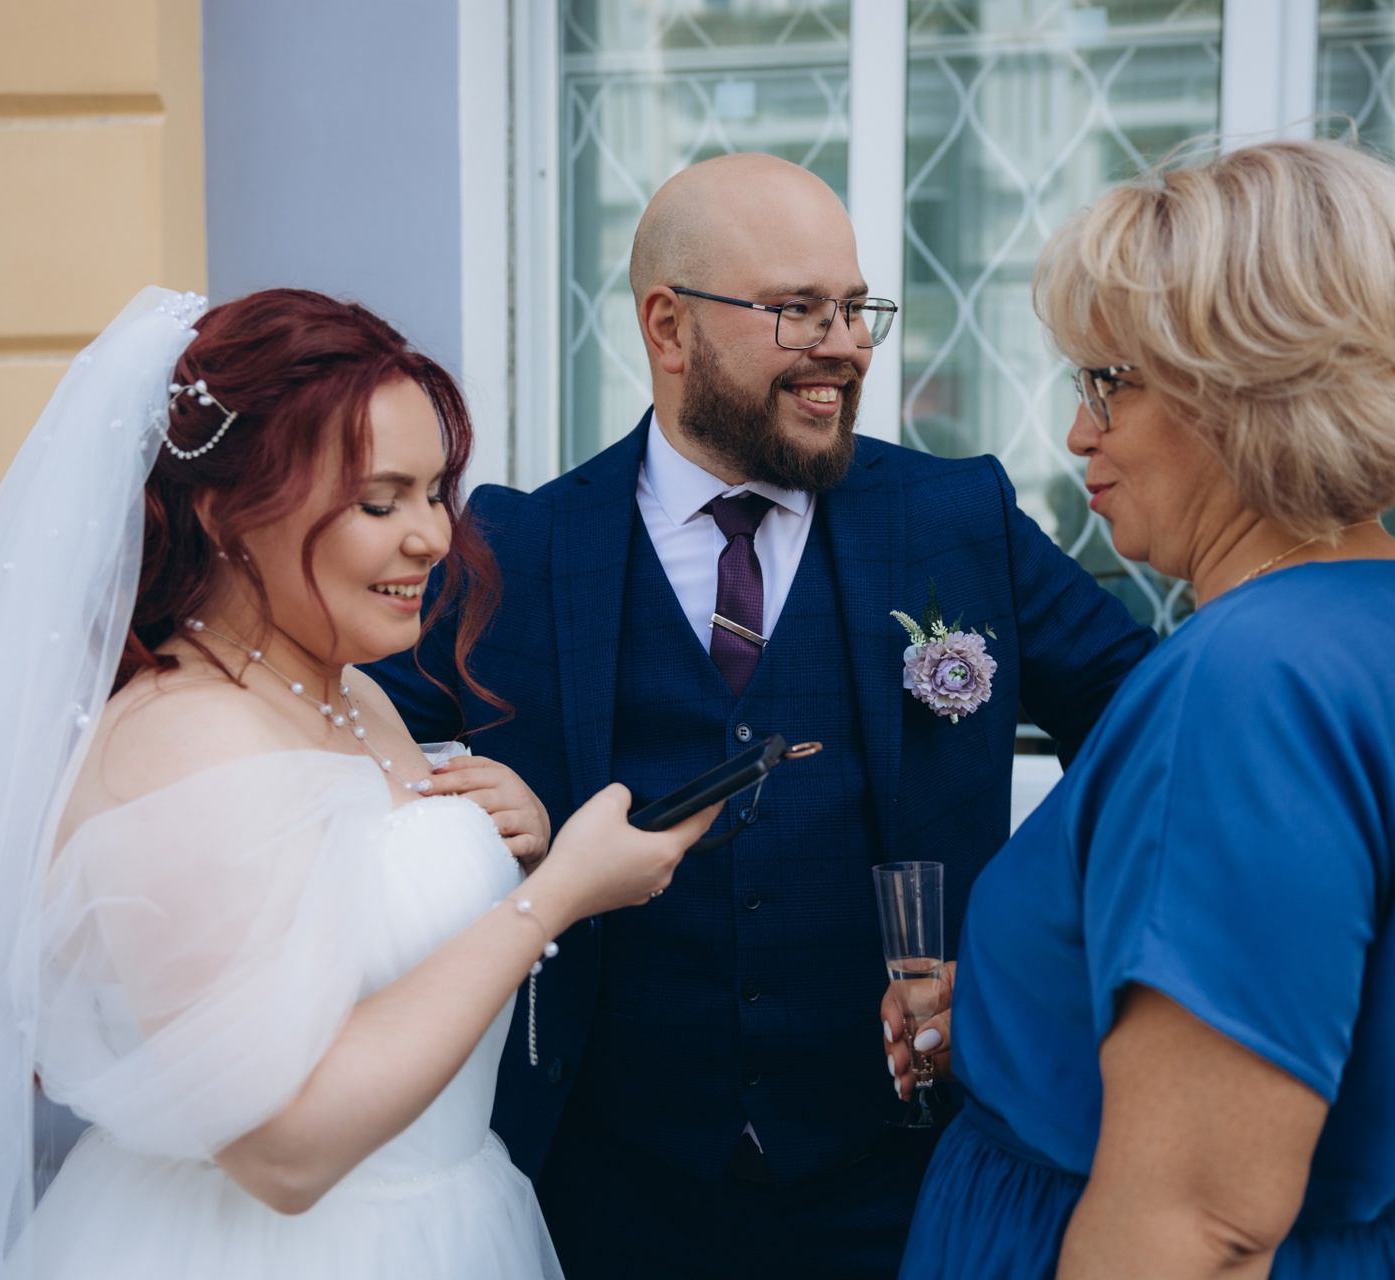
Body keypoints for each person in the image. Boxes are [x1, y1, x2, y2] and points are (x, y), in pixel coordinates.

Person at [0, 287, 719, 1279]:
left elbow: (367, 923)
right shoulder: (182, 741)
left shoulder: (355, 692)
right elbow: (282, 1148)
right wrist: (555, 895)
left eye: (436, 491)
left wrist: (503, 835)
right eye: (380, 501)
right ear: (227, 512)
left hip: (446, 1220)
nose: (434, 537)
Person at [370, 152, 1156, 1279]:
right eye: (799, 310)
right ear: (669, 325)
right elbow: (328, 727)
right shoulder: (519, 548)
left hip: (902, 1191)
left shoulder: (961, 519)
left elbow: (1157, 739)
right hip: (603, 1198)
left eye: (855, 308)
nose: (847, 344)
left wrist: (1022, 958)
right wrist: (439, 792)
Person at [895, 140, 1395, 1280]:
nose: (1078, 432)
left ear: (1246, 389)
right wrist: (1021, 1008)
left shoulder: (1246, 680)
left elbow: (1192, 1227)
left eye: (1108, 382)